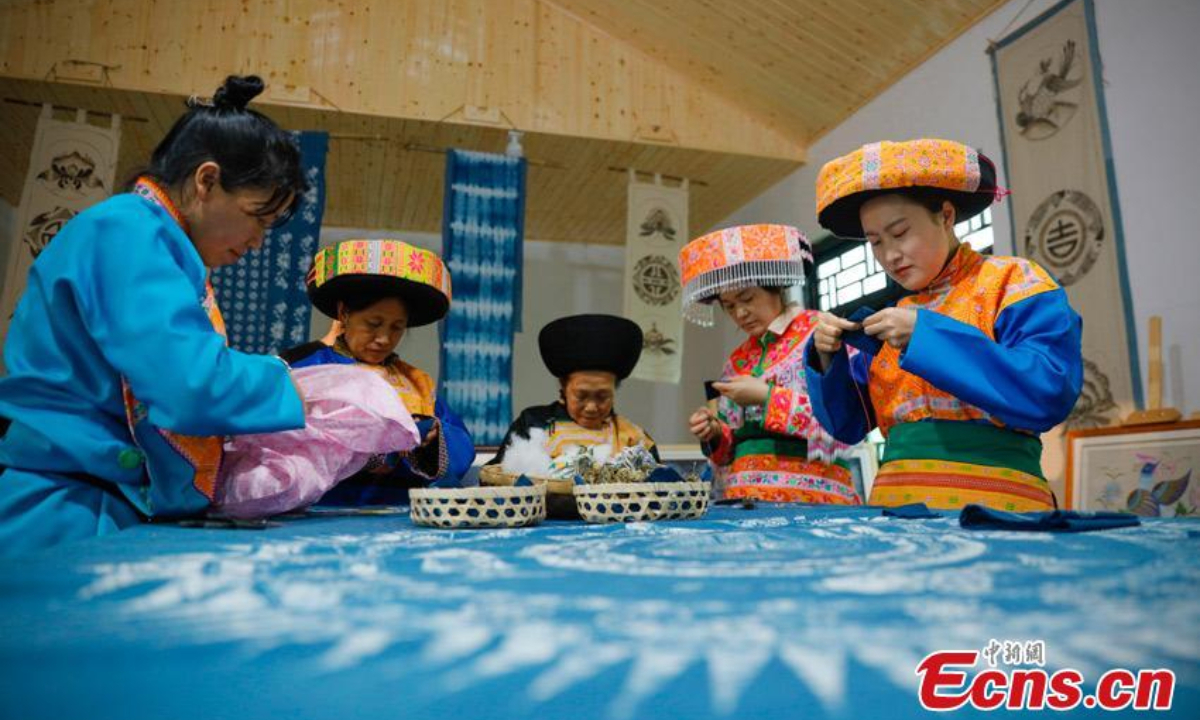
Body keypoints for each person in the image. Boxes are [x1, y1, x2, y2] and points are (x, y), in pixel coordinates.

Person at [0, 75, 308, 553]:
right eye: (256, 217)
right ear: (206, 181)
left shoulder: (158, 245)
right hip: (66, 512)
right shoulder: (127, 230)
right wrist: (295, 385)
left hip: (102, 499)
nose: (256, 243)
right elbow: (188, 384)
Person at [806, 138, 1083, 511]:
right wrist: (827, 357)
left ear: (946, 215)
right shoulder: (895, 315)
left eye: (901, 232)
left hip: (1000, 507)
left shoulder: (1015, 282)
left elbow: (1049, 391)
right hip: (894, 509)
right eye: (875, 242)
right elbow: (849, 425)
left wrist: (925, 337)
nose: (889, 255)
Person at [281, 238, 473, 503]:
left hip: (401, 514)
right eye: (373, 323)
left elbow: (461, 441)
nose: (384, 338)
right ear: (344, 314)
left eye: (396, 327)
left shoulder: (417, 385)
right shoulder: (309, 371)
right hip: (323, 510)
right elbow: (285, 440)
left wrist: (434, 439)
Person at [679, 224, 861, 504]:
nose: (740, 313)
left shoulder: (819, 331)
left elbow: (847, 417)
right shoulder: (738, 360)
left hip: (811, 494)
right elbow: (728, 449)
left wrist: (767, 397)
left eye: (747, 298)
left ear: (775, 287)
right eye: (728, 306)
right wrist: (715, 432)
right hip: (742, 499)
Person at [488, 314, 659, 471]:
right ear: (563, 388)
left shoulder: (633, 438)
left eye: (602, 397)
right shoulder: (534, 425)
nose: (591, 407)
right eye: (581, 396)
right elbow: (498, 479)